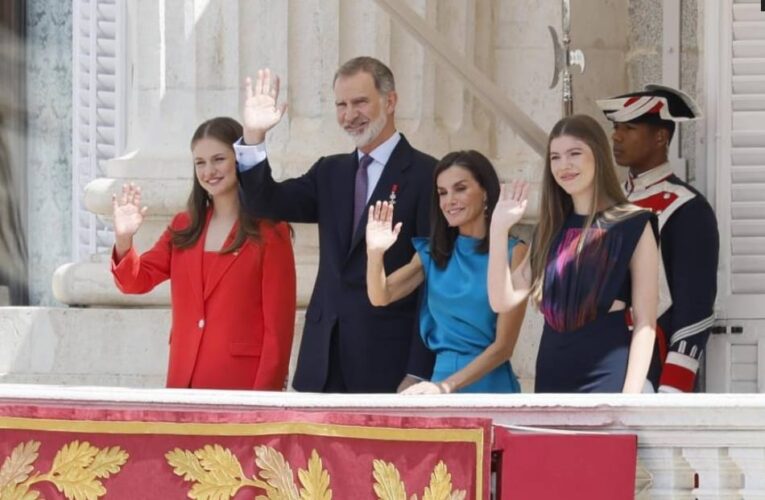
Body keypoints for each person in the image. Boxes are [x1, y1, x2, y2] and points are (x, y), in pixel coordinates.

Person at [235, 57, 436, 393]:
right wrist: (254, 136)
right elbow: (264, 202)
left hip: (389, 362)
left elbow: (433, 279)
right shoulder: (330, 172)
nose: (349, 114)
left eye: (360, 102)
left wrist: (418, 369)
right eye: (341, 105)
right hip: (322, 360)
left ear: (390, 101)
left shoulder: (426, 174)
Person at [111, 117, 296, 390]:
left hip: (242, 388)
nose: (209, 170)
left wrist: (263, 404)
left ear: (239, 159)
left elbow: (278, 332)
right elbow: (133, 281)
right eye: (200, 162)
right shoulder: (183, 227)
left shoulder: (270, 232)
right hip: (184, 383)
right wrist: (124, 239)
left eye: (218, 159)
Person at [488, 114, 659, 393]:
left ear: (598, 156)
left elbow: (645, 322)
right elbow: (501, 301)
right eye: (555, 157)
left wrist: (630, 399)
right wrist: (498, 229)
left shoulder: (634, 223)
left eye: (574, 153)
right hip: (551, 377)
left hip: (607, 378)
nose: (563, 165)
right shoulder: (550, 228)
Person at [366, 150, 527, 394]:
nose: (449, 200)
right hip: (438, 384)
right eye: (442, 193)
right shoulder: (433, 252)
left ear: (485, 192)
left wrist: (445, 387)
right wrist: (375, 253)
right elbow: (380, 296)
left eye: (460, 189)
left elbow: (504, 346)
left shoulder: (514, 252)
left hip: (488, 387)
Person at [598, 85, 719, 392]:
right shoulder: (609, 203)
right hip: (602, 359)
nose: (616, 136)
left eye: (629, 128)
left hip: (654, 361)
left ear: (660, 138)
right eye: (615, 128)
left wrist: (673, 387)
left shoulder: (687, 207)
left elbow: (695, 309)